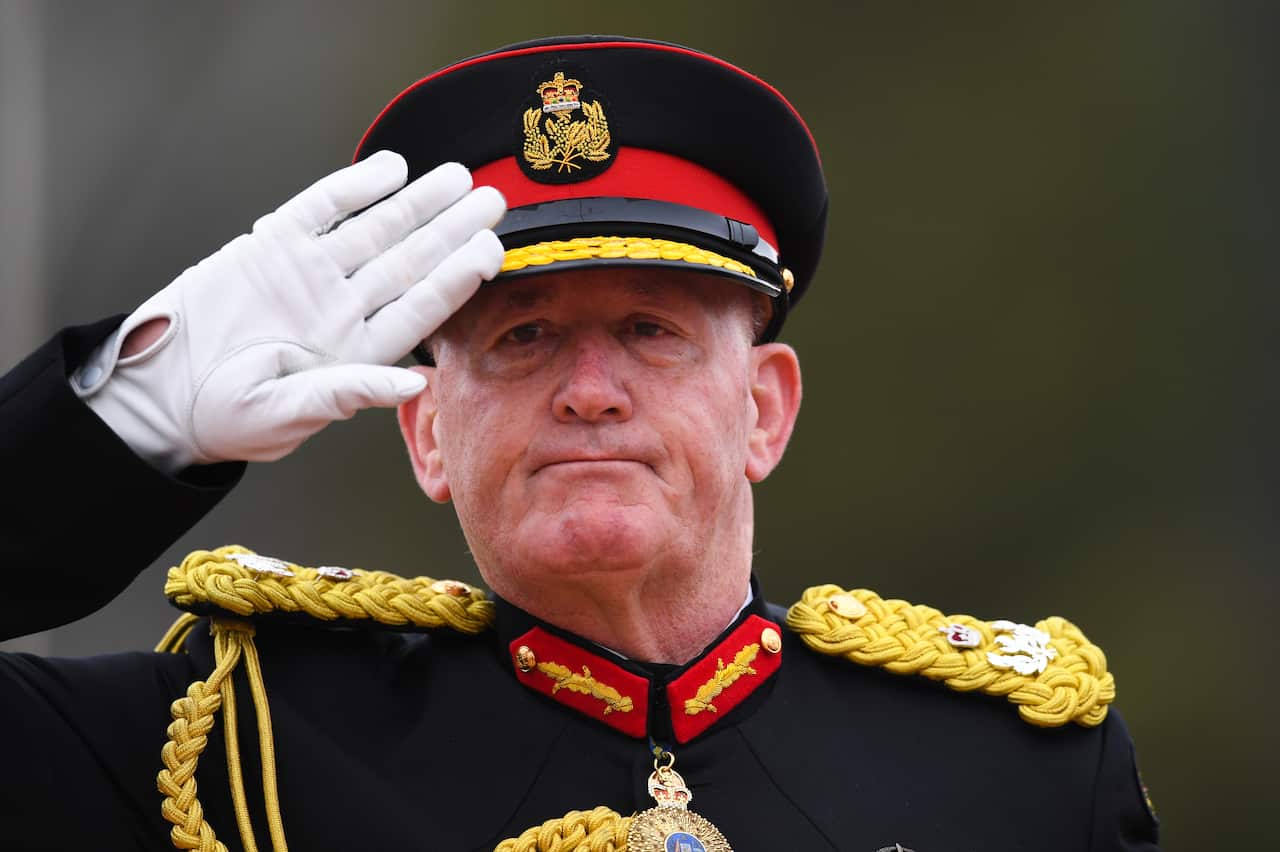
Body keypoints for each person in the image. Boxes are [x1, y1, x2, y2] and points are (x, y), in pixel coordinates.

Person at [0, 35, 1159, 851]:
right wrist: (115, 418)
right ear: (426, 432)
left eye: (651, 333)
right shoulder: (235, 749)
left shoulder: (1018, 769)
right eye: (523, 338)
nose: (590, 392)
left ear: (763, 409)